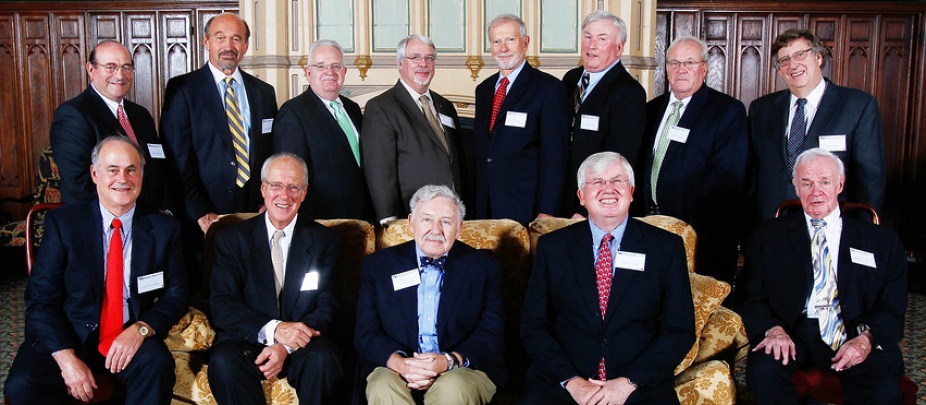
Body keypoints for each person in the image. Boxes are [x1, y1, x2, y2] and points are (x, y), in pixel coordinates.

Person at [4, 136, 188, 405]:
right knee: (22, 385)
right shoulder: (64, 224)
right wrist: (66, 359)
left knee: (157, 366)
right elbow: (40, 299)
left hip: (127, 334)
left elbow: (177, 295)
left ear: (141, 174)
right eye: (113, 169)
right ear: (94, 174)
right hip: (67, 333)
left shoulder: (164, 229)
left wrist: (141, 329)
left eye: (131, 169)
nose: (122, 179)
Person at [520, 151, 695, 404]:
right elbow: (533, 324)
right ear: (581, 196)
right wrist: (572, 381)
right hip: (563, 384)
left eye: (617, 180)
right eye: (597, 182)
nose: (608, 189)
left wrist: (630, 381)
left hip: (640, 386)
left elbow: (679, 330)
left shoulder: (666, 247)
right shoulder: (553, 247)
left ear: (631, 192)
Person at [736, 148, 906, 404]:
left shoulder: (882, 241)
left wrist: (866, 339)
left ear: (840, 184)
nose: (816, 192)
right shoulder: (768, 236)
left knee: (884, 389)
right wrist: (773, 329)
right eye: (807, 183)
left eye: (825, 182)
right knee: (764, 371)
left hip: (856, 329)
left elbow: (893, 304)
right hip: (791, 329)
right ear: (795, 187)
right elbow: (750, 295)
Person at [208, 153, 344, 404]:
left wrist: (286, 345)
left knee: (325, 359)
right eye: (276, 185)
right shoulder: (231, 239)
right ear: (263, 188)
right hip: (250, 337)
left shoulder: (325, 242)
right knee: (223, 363)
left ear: (304, 192)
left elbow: (328, 306)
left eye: (293, 187)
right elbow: (223, 304)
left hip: (303, 343)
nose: (284, 195)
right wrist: (275, 331)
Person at [160, 12, 277, 295]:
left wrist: (267, 201)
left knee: (253, 288)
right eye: (220, 37)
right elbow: (176, 158)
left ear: (245, 45)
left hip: (254, 214)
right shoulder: (183, 89)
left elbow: (271, 152)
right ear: (206, 42)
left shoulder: (264, 92)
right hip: (204, 217)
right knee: (210, 293)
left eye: (236, 38)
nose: (228, 45)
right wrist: (198, 211)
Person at [354, 184, 505, 404]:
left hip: (459, 368)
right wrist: (400, 363)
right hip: (394, 367)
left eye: (446, 222)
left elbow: (491, 332)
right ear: (411, 223)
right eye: (427, 219)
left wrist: (448, 361)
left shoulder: (483, 268)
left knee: (453, 390)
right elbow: (366, 332)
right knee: (383, 387)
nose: (436, 230)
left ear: (459, 228)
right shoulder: (378, 266)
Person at [633, 35, 749, 283]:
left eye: (689, 62)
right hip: (649, 228)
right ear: (666, 69)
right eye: (674, 63)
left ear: (704, 68)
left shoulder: (727, 111)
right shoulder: (650, 110)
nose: (681, 69)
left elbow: (728, 179)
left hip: (702, 235)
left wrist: (683, 225)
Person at [750, 28, 885, 220]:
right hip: (772, 221)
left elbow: (870, 178)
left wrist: (862, 229)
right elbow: (753, 173)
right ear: (779, 70)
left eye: (800, 55)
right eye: (784, 60)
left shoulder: (858, 106)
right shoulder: (761, 109)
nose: (793, 65)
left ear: (818, 57)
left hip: (833, 221)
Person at [472, 14, 569, 225]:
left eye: (510, 40)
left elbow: (555, 157)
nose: (503, 48)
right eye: (496, 42)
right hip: (485, 206)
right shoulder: (484, 90)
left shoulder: (549, 89)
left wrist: (547, 210)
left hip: (526, 208)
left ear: (525, 42)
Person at [51, 40, 170, 212]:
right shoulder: (73, 114)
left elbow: (158, 167)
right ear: (91, 70)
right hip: (101, 219)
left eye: (126, 67)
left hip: (151, 217)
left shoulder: (140, 114)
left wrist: (165, 211)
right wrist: (130, 215)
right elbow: (78, 184)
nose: (120, 76)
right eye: (110, 67)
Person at [362, 35, 466, 225]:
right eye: (415, 57)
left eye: (429, 58)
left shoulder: (446, 106)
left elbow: (455, 161)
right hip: (412, 218)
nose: (423, 64)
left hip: (452, 215)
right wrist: (389, 220)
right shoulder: (381, 107)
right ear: (400, 63)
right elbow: (380, 170)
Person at [273, 39, 373, 222]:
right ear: (308, 72)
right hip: (321, 220)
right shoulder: (293, 113)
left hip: (361, 216)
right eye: (321, 66)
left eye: (336, 66)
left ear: (344, 72)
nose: (330, 72)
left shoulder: (352, 109)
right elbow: (292, 176)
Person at [562, 11, 646, 217]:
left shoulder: (629, 92)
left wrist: (587, 208)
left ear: (619, 48)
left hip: (590, 205)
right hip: (560, 196)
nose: (592, 45)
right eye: (588, 37)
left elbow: (618, 161)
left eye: (601, 39)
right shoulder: (570, 79)